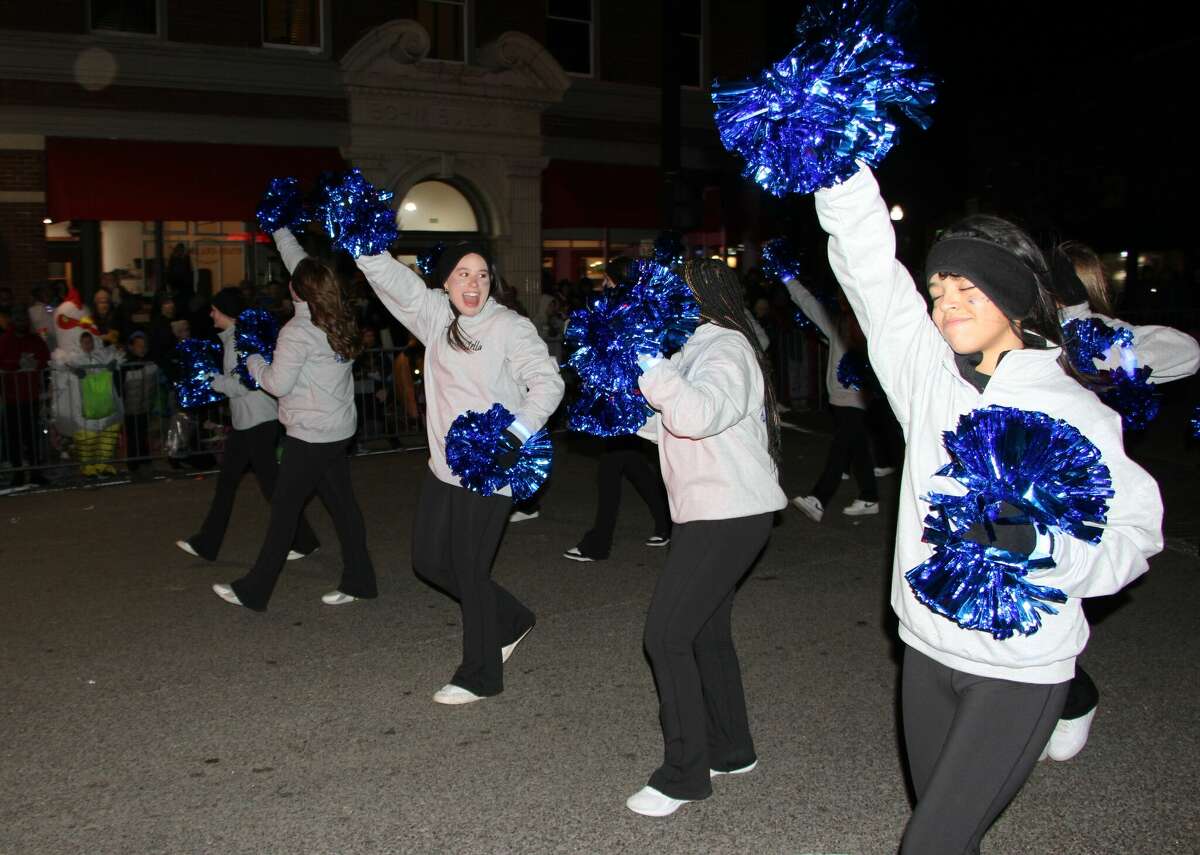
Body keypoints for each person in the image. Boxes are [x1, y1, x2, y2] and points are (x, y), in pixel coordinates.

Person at [814, 165, 1162, 854]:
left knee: (931, 842)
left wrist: (1047, 552)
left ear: (1011, 298)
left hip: (1020, 670)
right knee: (947, 831)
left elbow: (1137, 532)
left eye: (966, 288)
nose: (945, 305)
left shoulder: (1072, 407)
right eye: (939, 289)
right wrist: (836, 163)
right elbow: (873, 277)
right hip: (922, 650)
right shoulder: (927, 379)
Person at [356, 241, 564, 704]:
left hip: (492, 470)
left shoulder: (510, 326)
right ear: (446, 279)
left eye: (483, 275)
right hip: (442, 469)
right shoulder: (435, 316)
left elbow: (549, 382)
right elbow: (394, 281)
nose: (474, 284)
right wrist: (360, 242)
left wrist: (515, 434)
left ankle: (481, 674)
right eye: (464, 274)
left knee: (470, 571)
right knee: (429, 562)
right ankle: (511, 618)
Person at [624, 258, 788, 818]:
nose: (663, 302)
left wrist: (650, 361)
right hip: (711, 511)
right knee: (705, 635)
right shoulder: (695, 347)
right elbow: (675, 425)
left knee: (666, 636)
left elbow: (697, 414)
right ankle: (732, 748)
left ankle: (684, 774)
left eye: (675, 293)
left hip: (728, 515)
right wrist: (625, 406)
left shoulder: (726, 347)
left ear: (702, 296)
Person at [1038, 242, 1200, 763]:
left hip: (1088, 499)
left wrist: (1080, 316)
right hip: (1033, 485)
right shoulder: (1032, 335)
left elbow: (1185, 353)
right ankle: (1045, 700)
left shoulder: (1111, 339)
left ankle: (1074, 696)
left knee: (1046, 605)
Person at [212, 233, 376, 611]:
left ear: (297, 291)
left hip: (310, 435)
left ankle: (254, 590)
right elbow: (300, 263)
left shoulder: (297, 331)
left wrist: (253, 360)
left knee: (284, 512)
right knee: (343, 507)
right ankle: (361, 580)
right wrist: (282, 230)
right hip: (337, 430)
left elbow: (275, 384)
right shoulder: (339, 318)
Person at [176, 287, 319, 563]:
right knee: (236, 483)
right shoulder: (235, 337)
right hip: (249, 422)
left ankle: (302, 540)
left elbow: (244, 383)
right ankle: (208, 543)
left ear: (226, 312)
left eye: (215, 309)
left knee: (268, 486)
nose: (211, 313)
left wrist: (211, 381)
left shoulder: (240, 340)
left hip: (257, 422)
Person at [561, 258, 671, 559]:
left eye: (607, 281)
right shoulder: (624, 311)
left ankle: (599, 543)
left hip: (631, 404)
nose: (603, 287)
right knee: (632, 464)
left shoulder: (632, 314)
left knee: (611, 468)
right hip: (621, 403)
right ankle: (666, 523)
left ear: (617, 281)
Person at [785, 277, 881, 521]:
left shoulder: (870, 325)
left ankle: (819, 498)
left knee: (840, 448)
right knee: (856, 446)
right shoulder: (838, 323)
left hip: (856, 399)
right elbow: (810, 305)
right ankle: (869, 496)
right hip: (840, 399)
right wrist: (788, 279)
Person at [0, 309, 50, 486]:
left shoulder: (34, 339)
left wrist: (35, 362)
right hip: (13, 397)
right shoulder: (6, 339)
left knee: (33, 437)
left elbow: (45, 356)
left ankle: (36, 472)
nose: (22, 322)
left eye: (24, 320)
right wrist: (16, 364)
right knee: (14, 437)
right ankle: (18, 473)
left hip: (31, 395)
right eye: (18, 319)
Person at [119, 332, 158, 476]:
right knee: (133, 434)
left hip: (145, 404)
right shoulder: (126, 364)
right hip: (130, 405)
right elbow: (121, 386)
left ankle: (144, 459)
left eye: (144, 346)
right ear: (131, 347)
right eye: (139, 346)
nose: (142, 349)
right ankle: (134, 463)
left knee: (143, 432)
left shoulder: (150, 362)